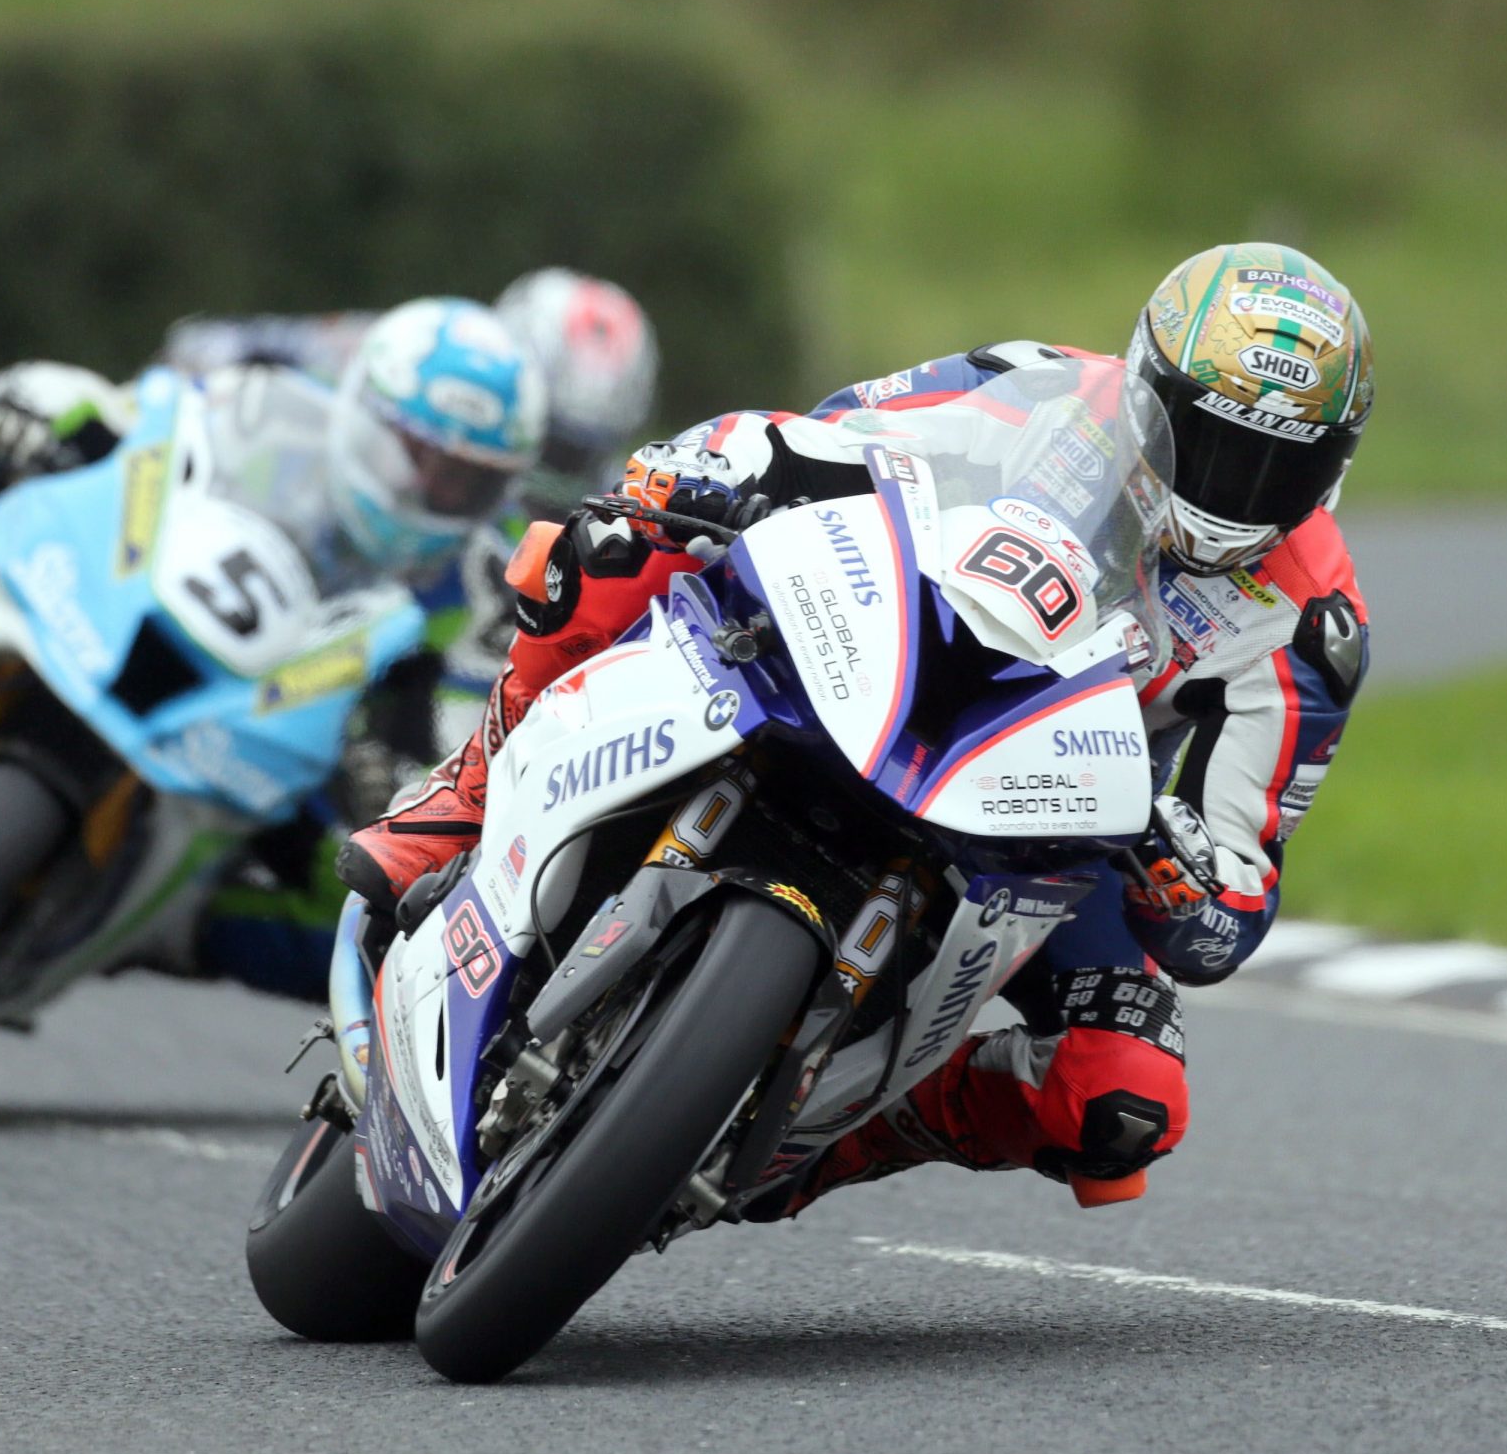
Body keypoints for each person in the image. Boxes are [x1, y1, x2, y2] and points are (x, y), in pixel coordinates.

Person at [340, 243, 1374, 1211]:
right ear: (1149, 391)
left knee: (1125, 1100)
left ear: (1331, 467)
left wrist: (1170, 863)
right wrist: (710, 473)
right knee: (608, 546)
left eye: (1274, 469)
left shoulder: (1309, 628)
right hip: (882, 643)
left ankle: (811, 1144)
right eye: (1212, 443)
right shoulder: (1045, 392)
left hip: (1057, 809)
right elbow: (833, 434)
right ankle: (465, 796)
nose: (1232, 492)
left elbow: (1228, 905)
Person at [0, 298, 550, 1000]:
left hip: (280, 754)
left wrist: (392, 780)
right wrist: (55, 426)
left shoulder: (478, 588)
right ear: (365, 412)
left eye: (465, 480)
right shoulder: (278, 413)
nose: (432, 489)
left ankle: (138, 922)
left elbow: (466, 729)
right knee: (1, 429)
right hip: (158, 600)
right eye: (418, 457)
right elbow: (157, 404)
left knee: (372, 917)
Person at [160, 270, 662, 744]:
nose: (548, 476)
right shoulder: (404, 351)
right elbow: (204, 348)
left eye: (576, 452)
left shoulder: (613, 501)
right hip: (283, 531)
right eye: (549, 438)